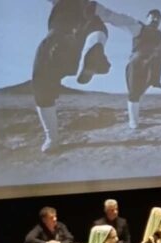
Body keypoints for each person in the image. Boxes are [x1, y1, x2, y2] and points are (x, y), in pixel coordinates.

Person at [33, 0, 111, 152]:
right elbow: (121, 20)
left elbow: (119, 19)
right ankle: (51, 139)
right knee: (41, 88)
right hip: (57, 46)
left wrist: (140, 28)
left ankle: (92, 56)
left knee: (96, 25)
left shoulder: (93, 6)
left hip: (75, 44)